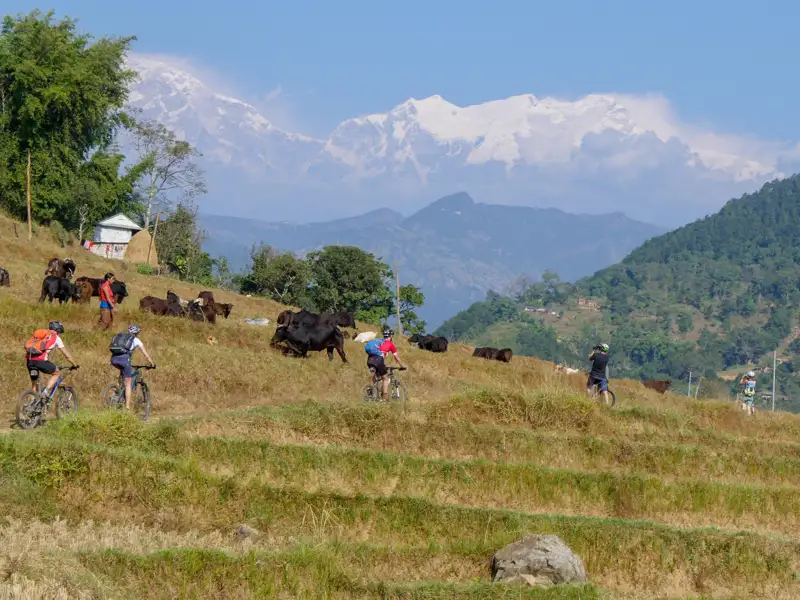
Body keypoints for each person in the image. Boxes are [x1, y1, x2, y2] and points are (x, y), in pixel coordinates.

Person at [25, 321, 78, 398]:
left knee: (34, 386)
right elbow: (67, 356)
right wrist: (74, 364)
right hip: (40, 362)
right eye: (60, 332)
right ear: (58, 330)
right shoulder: (56, 337)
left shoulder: (42, 335)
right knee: (57, 373)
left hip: (29, 361)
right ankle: (45, 392)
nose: (59, 334)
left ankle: (30, 407)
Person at [109, 324, 156, 411]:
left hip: (113, 359)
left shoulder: (121, 336)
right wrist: (152, 363)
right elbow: (145, 354)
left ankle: (116, 393)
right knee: (128, 384)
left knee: (122, 375)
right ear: (137, 332)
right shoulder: (136, 340)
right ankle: (127, 407)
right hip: (124, 360)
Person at [364, 327, 406, 400]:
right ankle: (384, 398)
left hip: (370, 360)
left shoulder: (379, 341)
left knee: (376, 375)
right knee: (385, 378)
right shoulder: (390, 344)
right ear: (391, 336)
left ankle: (370, 391)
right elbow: (396, 357)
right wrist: (402, 366)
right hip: (378, 360)